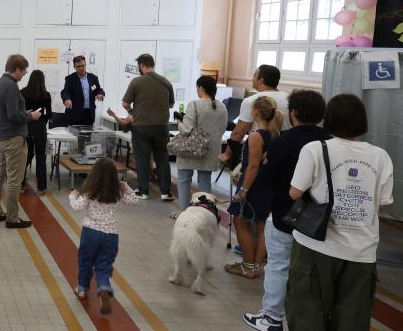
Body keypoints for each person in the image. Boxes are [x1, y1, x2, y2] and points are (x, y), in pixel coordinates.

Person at [278, 94, 393, 331]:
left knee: (308, 305)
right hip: (363, 250)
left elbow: (294, 192)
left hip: (317, 244)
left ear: (329, 118)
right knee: (353, 314)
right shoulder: (380, 156)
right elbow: (381, 204)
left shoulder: (316, 149)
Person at [243, 90, 328, 331]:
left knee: (279, 265)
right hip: (318, 218)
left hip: (284, 213)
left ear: (293, 113)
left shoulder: (285, 141)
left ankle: (271, 318)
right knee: (306, 270)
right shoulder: (330, 142)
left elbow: (267, 178)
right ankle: (304, 324)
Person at [70, 157, 140, 315]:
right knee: (103, 265)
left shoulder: (90, 190)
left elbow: (77, 207)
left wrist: (73, 196)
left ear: (94, 174)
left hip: (90, 232)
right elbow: (134, 200)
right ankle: (104, 287)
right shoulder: (117, 190)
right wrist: (125, 186)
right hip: (111, 235)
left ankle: (82, 289)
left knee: (85, 261)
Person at [225, 96, 283, 279]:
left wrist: (244, 190)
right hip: (267, 184)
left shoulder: (256, 136)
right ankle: (255, 265)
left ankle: (248, 265)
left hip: (254, 184)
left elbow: (252, 166)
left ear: (255, 112)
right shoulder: (276, 134)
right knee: (261, 225)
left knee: (240, 222)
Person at [0, 54, 42, 228]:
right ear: (17, 69)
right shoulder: (11, 86)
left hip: (0, 137)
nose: (24, 75)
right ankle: (12, 218)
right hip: (13, 138)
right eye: (24, 71)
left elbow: (1, 112)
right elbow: (13, 115)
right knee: (14, 180)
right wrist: (30, 116)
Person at [171, 76, 229, 218]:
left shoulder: (195, 104)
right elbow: (223, 128)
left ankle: (184, 213)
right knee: (205, 181)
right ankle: (204, 213)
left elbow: (186, 130)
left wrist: (179, 121)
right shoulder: (222, 107)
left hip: (191, 149)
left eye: (197, 88)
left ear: (201, 88)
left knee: (184, 179)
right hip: (211, 151)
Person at [121, 53, 175, 200]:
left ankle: (143, 191)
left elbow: (125, 103)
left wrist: (133, 112)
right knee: (162, 157)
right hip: (162, 126)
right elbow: (170, 104)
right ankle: (165, 192)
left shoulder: (136, 82)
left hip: (141, 126)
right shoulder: (166, 82)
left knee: (143, 157)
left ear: (141, 65)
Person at [220, 65, 290, 167]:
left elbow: (239, 132)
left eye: (254, 76)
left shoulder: (252, 101)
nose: (252, 79)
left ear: (261, 80)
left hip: (259, 151)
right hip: (285, 151)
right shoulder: (289, 98)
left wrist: (227, 154)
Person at [21, 69, 53, 194]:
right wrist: (42, 116)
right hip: (40, 128)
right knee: (41, 158)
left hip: (26, 127)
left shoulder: (22, 92)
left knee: (25, 157)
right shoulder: (46, 95)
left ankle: (21, 185)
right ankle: (41, 187)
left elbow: (20, 112)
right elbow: (49, 114)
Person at [60, 55, 105, 126]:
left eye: (83, 65)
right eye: (78, 66)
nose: (81, 68)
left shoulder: (93, 78)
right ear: (74, 67)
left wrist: (100, 94)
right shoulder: (70, 79)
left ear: (85, 65)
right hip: (74, 115)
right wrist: (67, 99)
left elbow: (99, 90)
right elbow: (65, 91)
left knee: (87, 136)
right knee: (73, 137)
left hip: (88, 114)